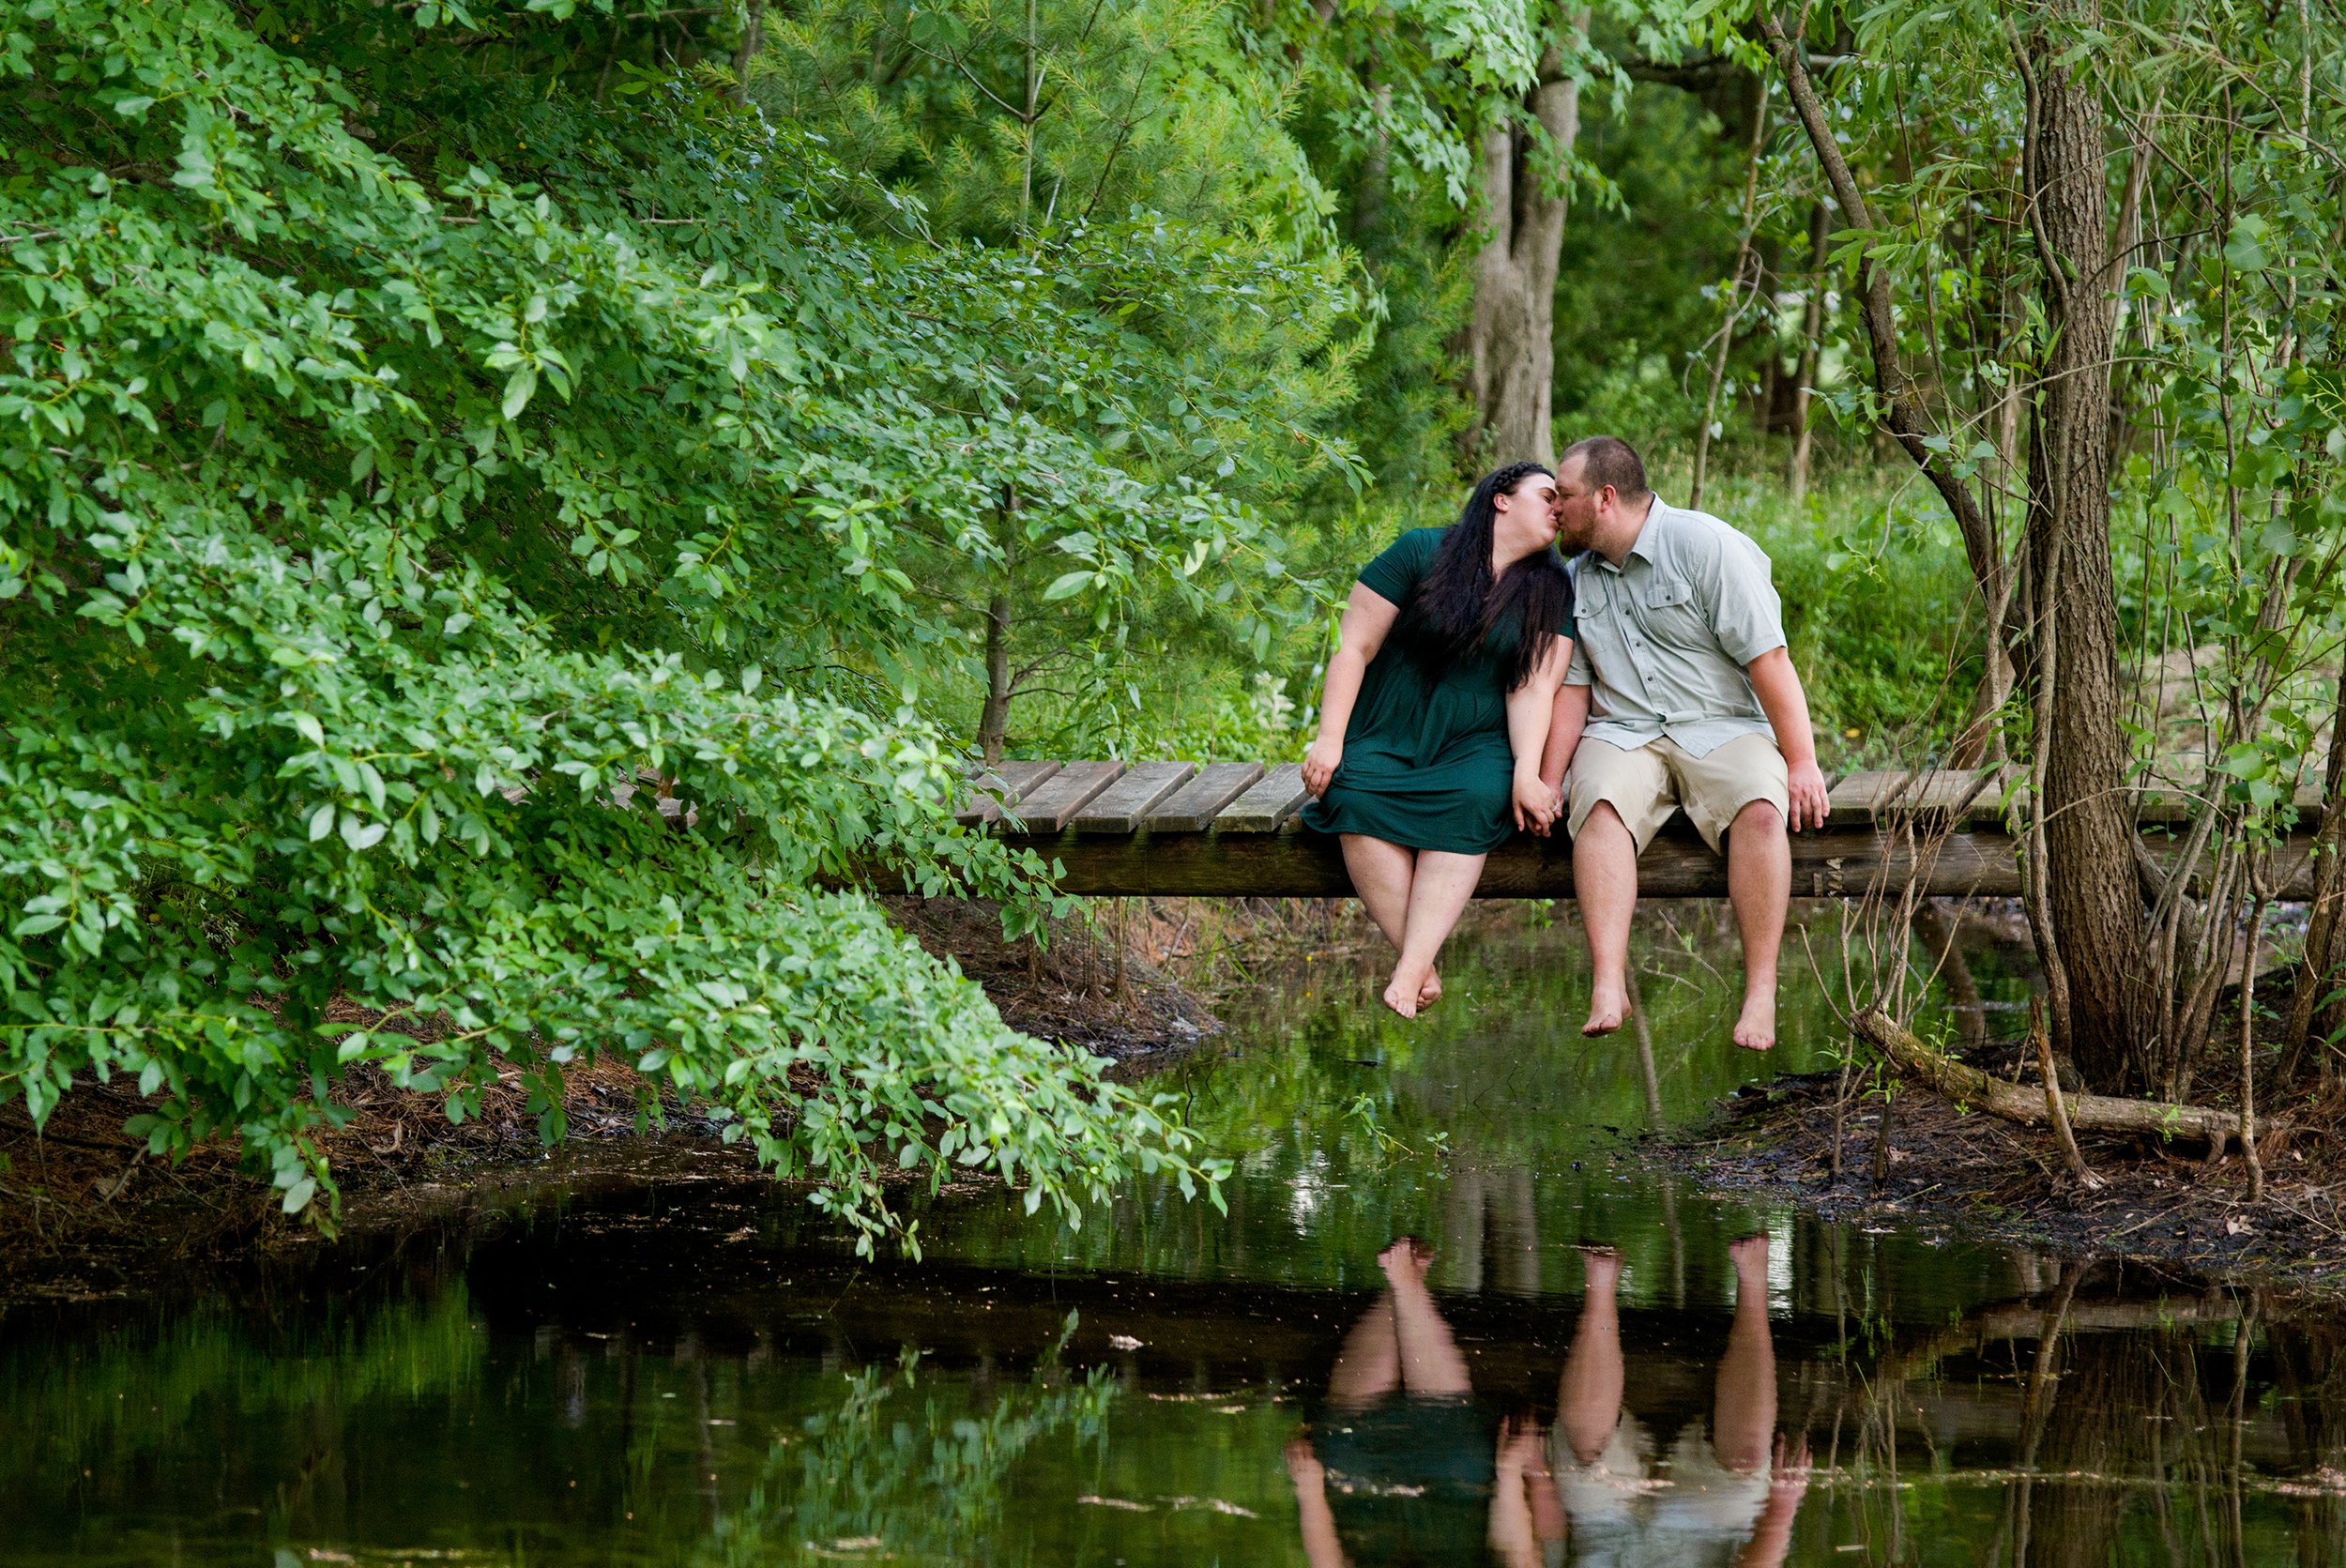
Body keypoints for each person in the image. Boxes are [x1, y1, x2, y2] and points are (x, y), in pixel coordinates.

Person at [1536, 436, 1828, 1051]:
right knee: (1600, 801)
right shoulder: (1574, 580)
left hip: (1720, 725)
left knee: (1759, 804)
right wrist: (1546, 778)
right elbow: (1573, 693)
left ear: (1605, 498)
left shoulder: (1705, 546)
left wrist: (1800, 761)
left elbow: (1768, 658)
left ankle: (1760, 990)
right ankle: (1608, 981)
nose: (1554, 508)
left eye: (1563, 495)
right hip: (1624, 732)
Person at [1302, 464, 1577, 1018]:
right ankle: (1419, 962)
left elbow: (1534, 685)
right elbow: (1354, 647)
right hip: (1389, 723)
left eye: (1561, 501)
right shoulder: (1419, 551)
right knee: (1351, 792)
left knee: (1476, 798)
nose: (1558, 508)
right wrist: (1330, 738)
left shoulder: (1552, 587)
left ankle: (1408, 970)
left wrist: (1527, 771)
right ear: (1501, 499)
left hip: (1477, 739)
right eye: (1547, 495)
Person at [1286, 1239, 1561, 1568]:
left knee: (1342, 1434)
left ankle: (1400, 1287)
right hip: (1455, 1491)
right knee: (1447, 1421)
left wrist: (1310, 1493)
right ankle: (1405, 1283)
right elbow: (1519, 1559)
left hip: (1370, 1498)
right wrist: (1510, 1474)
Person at [1550, 1238, 1810, 1568]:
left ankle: (1600, 1285)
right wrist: (1780, 1511)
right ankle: (1753, 1282)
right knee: (1745, 1466)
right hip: (1708, 1524)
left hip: (1604, 1522)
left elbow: (1542, 1550)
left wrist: (1530, 1480)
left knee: (1584, 1466)